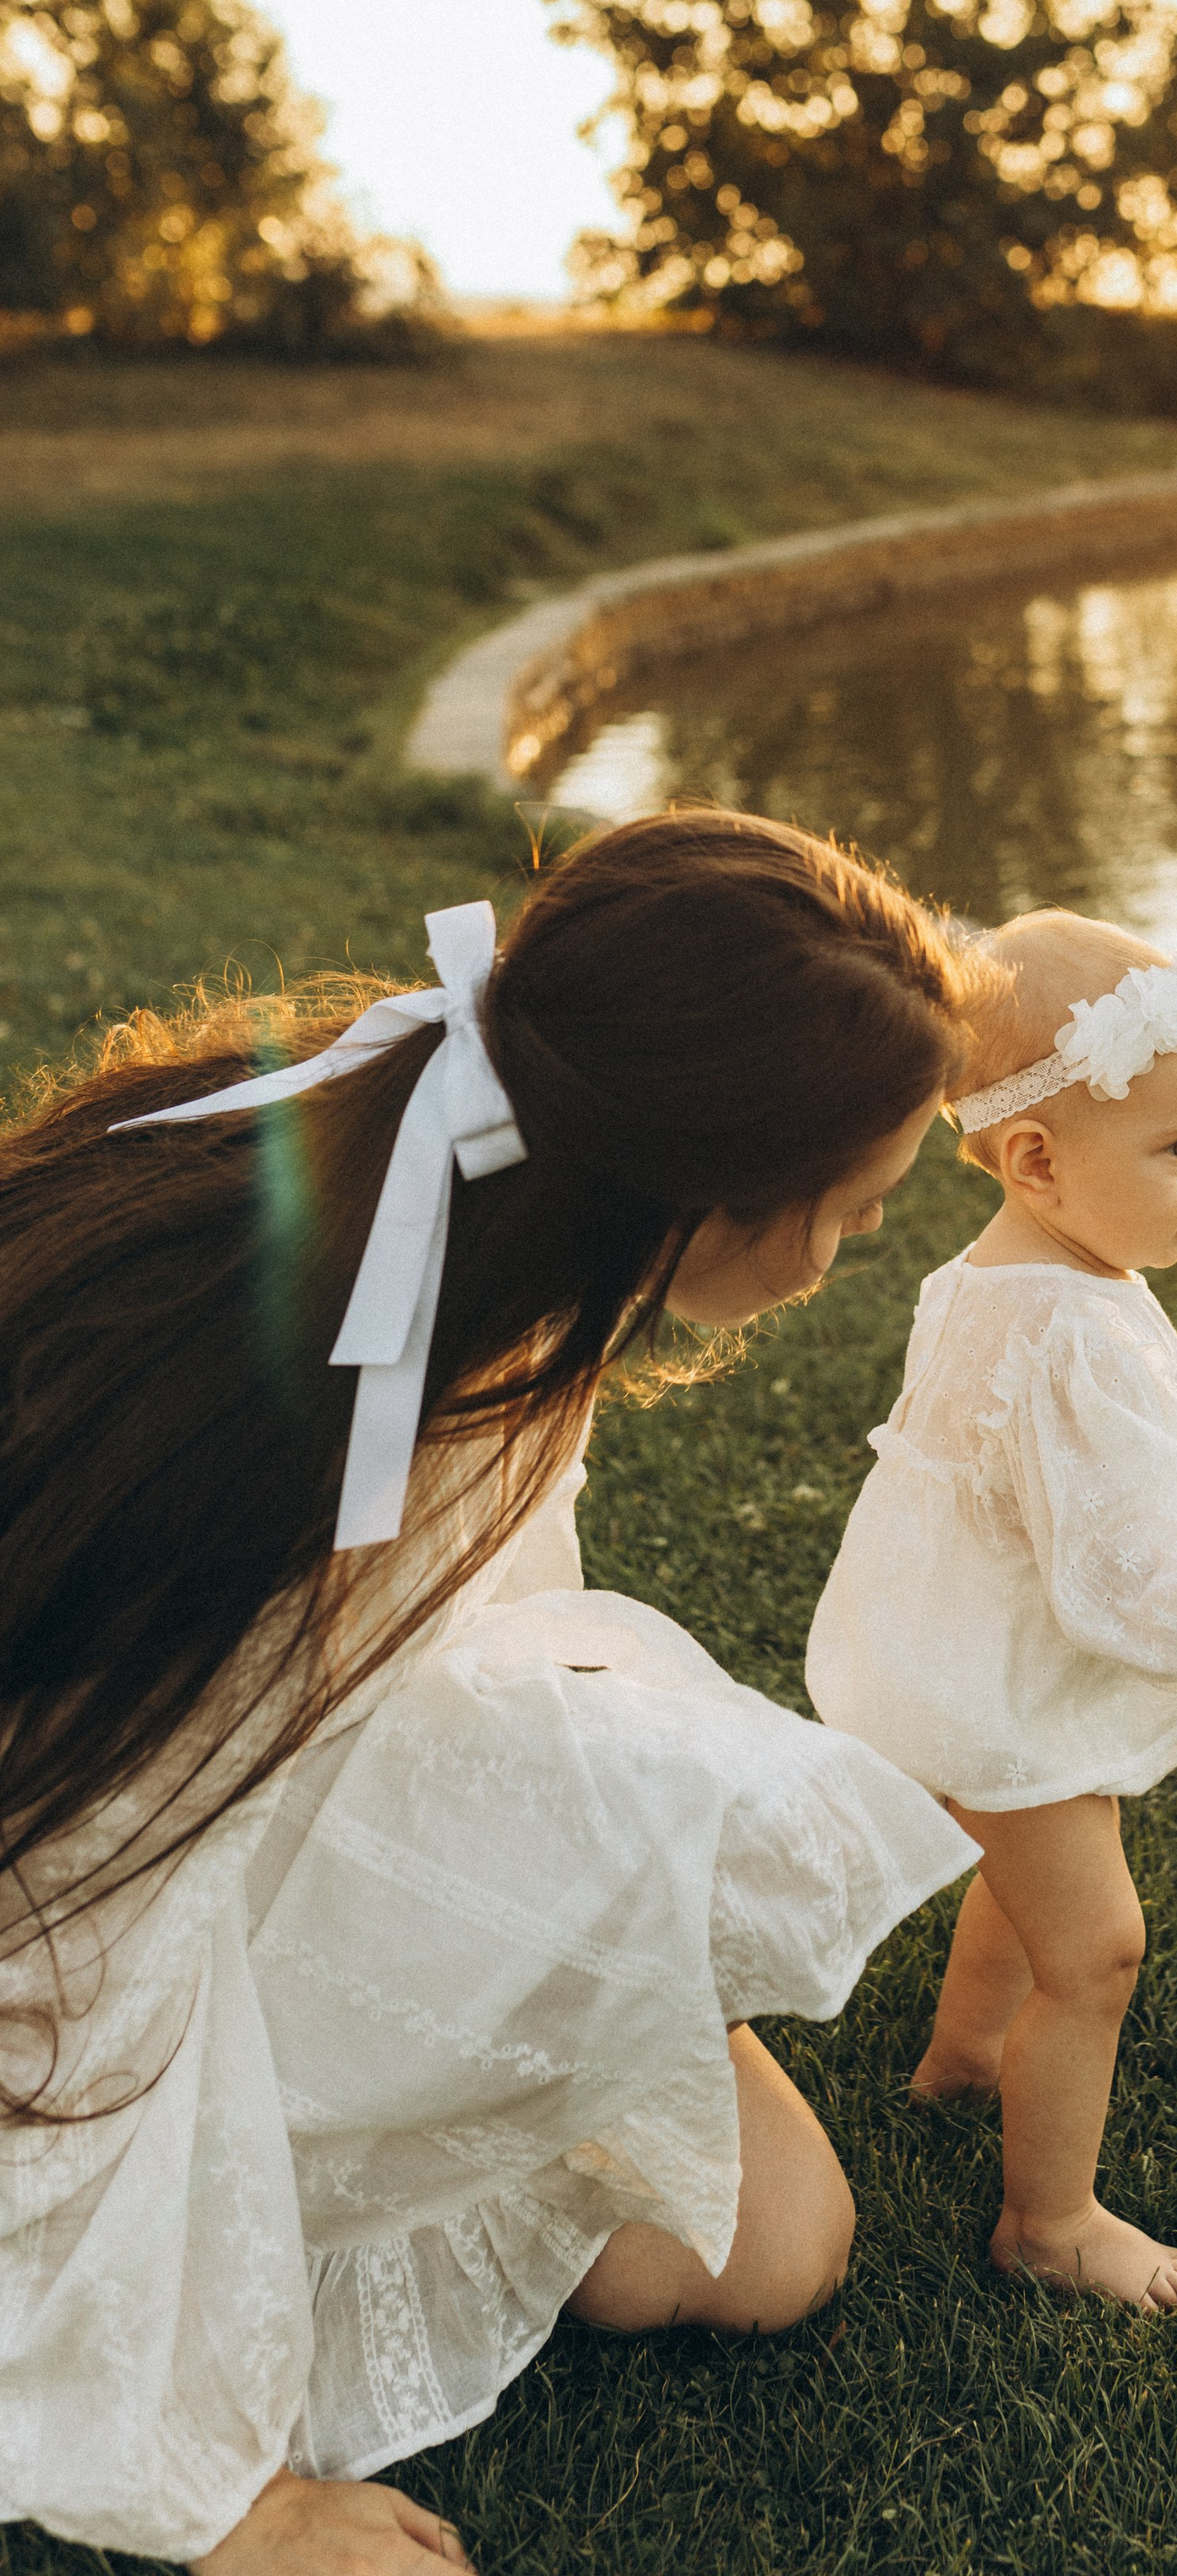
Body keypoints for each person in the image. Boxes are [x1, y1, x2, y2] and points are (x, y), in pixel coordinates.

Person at [0, 811, 994, 2570]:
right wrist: (225, 2498)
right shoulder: (315, 1424)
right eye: (852, 1211)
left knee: (766, 2252)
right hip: (78, 1891)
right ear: (707, 1192)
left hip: (293, 1811)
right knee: (741, 2249)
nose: (843, 1257)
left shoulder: (476, 1223)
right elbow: (82, 1913)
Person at [806, 912, 1177, 2313]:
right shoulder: (1065, 1326)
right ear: (1035, 1159)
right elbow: (1116, 1540)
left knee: (1027, 1877)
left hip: (957, 1660)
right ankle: (1050, 2221)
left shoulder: (1009, 1278)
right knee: (1098, 1945)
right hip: (995, 1677)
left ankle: (958, 2063)